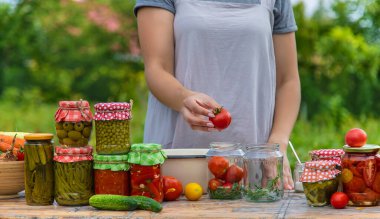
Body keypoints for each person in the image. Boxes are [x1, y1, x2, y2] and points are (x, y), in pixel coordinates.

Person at [134, 0, 300, 190]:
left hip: (254, 168)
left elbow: (287, 81)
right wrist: (183, 98)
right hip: (177, 164)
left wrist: (277, 145)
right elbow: (157, 68)